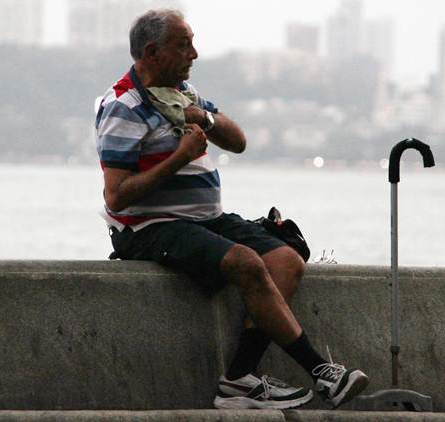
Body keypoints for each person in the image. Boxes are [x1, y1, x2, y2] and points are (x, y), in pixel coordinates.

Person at [94, 9, 369, 410]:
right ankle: (322, 372)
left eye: (192, 43)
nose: (193, 54)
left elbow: (238, 142)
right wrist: (180, 156)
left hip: (206, 220)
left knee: (286, 260)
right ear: (152, 52)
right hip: (149, 226)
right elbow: (117, 197)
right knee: (246, 262)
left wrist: (204, 118)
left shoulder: (183, 92)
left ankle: (239, 379)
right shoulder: (124, 106)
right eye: (183, 45)